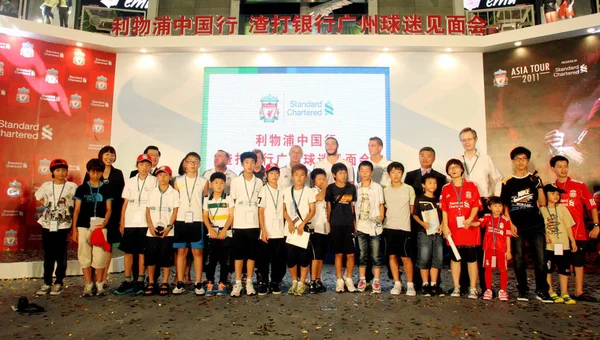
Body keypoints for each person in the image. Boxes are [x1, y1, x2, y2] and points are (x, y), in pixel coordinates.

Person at [501, 147, 552, 303]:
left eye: (523, 158)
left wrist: (540, 187)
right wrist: (510, 223)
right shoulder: (507, 181)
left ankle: (542, 290)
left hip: (535, 224)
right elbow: (505, 206)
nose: (520, 162)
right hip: (517, 225)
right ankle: (522, 289)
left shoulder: (534, 179)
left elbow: (542, 203)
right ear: (513, 161)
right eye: (517, 159)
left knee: (541, 259)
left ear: (528, 160)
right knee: (518, 259)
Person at [459, 127, 503, 292]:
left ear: (476, 140)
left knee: (483, 245)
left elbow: (498, 179)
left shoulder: (486, 159)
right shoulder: (458, 160)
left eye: (469, 139)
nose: (467, 142)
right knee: (464, 245)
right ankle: (464, 285)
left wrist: (495, 200)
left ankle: (486, 286)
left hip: (483, 202)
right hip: (463, 204)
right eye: (463, 140)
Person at [550, 156, 599, 302]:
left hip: (578, 233)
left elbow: (592, 206)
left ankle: (578, 291)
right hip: (558, 235)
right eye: (560, 167)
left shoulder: (579, 185)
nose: (563, 169)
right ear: (553, 169)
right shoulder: (551, 188)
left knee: (578, 262)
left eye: (566, 166)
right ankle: (563, 291)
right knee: (560, 262)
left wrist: (596, 226)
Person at [404, 146, 447, 290]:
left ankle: (435, 283)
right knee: (419, 252)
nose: (425, 158)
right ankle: (420, 283)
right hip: (417, 221)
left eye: (428, 156)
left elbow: (442, 201)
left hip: (436, 222)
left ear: (434, 158)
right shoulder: (410, 176)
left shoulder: (440, 177)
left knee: (436, 253)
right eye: (422, 155)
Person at [83, 146, 125, 288]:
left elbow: (121, 197)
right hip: (93, 216)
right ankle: (92, 278)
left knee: (107, 247)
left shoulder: (118, 173)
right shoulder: (92, 171)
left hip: (112, 215)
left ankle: (103, 276)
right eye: (106, 154)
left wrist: (120, 217)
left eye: (112, 155)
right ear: (101, 155)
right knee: (93, 245)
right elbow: (85, 192)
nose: (109, 157)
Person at [115, 154, 157, 295]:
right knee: (128, 251)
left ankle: (140, 280)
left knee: (142, 252)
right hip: (130, 221)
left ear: (151, 166)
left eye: (147, 165)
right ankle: (127, 280)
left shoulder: (155, 181)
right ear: (137, 165)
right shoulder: (131, 181)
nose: (144, 168)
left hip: (145, 222)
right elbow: (125, 202)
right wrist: (122, 221)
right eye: (141, 164)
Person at [35, 159, 78, 296]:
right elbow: (38, 197)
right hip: (47, 224)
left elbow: (77, 203)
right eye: (58, 170)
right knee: (48, 254)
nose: (61, 173)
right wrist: (49, 207)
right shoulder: (46, 185)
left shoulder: (72, 186)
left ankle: (59, 282)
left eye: (64, 170)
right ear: (52, 172)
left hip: (64, 225)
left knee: (61, 254)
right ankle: (47, 282)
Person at [441, 159, 482, 300]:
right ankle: (457, 287)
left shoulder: (471, 185)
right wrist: (445, 226)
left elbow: (476, 204)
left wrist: (471, 219)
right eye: (450, 168)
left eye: (456, 167)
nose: (453, 170)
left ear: (462, 169)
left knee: (471, 258)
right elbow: (444, 209)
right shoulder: (445, 188)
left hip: (469, 227)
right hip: (453, 229)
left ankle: (473, 288)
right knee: (455, 258)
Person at [72, 158, 113, 297]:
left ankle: (99, 284)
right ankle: (88, 284)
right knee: (84, 254)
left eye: (98, 172)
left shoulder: (106, 188)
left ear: (102, 173)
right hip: (83, 226)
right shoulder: (82, 188)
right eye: (92, 172)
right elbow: (76, 210)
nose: (95, 175)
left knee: (100, 255)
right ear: (88, 172)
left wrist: (105, 222)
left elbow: (109, 209)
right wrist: (74, 230)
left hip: (100, 226)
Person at [172, 152, 209, 295]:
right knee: (181, 251)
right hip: (181, 219)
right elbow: (175, 201)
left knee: (197, 252)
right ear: (185, 164)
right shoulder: (177, 180)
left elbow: (205, 201)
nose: (193, 164)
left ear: (199, 164)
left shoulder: (204, 181)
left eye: (195, 161)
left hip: (197, 219)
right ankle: (180, 282)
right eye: (190, 161)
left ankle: (198, 282)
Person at [230, 151, 264, 296]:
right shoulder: (236, 181)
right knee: (238, 255)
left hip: (254, 224)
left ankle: (249, 282)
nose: (249, 165)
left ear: (256, 163)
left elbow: (261, 204)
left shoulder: (259, 182)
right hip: (239, 223)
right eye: (246, 162)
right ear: (242, 164)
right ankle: (238, 283)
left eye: (252, 162)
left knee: (251, 255)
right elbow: (233, 203)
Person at [383, 162, 416, 296]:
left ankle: (410, 284)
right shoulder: (385, 190)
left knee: (406, 257)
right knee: (392, 256)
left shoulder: (409, 189)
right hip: (389, 226)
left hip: (404, 227)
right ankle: (397, 283)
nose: (396, 175)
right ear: (389, 174)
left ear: (402, 174)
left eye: (398, 172)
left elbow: (412, 209)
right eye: (393, 172)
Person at [144, 166, 178, 296]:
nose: (163, 178)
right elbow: (148, 211)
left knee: (166, 257)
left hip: (167, 231)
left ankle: (165, 281)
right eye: (160, 175)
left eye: (165, 175)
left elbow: (175, 211)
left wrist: (169, 226)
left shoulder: (174, 193)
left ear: (170, 177)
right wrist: (151, 227)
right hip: (151, 231)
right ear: (156, 177)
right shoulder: (151, 193)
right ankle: (151, 281)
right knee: (151, 258)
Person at [541, 184, 578, 305]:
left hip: (563, 244)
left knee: (564, 269)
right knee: (548, 269)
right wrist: (544, 235)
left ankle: (564, 292)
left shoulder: (562, 208)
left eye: (558, 194)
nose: (556, 196)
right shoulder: (542, 210)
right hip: (549, 246)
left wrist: (572, 240)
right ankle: (550, 290)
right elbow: (539, 227)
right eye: (552, 193)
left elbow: (568, 226)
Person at [283, 164, 316, 296]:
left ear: (306, 177)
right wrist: (289, 221)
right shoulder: (286, 191)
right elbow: (283, 209)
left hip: (303, 229)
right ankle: (294, 281)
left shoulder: (309, 191)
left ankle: (302, 282)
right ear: (292, 176)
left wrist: (303, 223)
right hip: (290, 229)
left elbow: (312, 210)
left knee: (304, 257)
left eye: (302, 175)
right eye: (296, 175)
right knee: (291, 257)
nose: (299, 177)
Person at [471, 196, 512, 301]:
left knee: (503, 269)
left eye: (500, 206)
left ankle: (502, 290)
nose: (498, 208)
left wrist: (508, 250)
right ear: (489, 207)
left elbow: (508, 236)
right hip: (488, 248)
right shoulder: (487, 217)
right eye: (495, 206)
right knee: (488, 269)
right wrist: (469, 222)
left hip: (501, 249)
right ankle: (488, 289)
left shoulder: (506, 220)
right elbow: (478, 223)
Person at [326, 163, 357, 293]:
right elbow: (328, 207)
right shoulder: (330, 188)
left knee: (350, 254)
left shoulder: (351, 188)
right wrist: (329, 223)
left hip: (349, 224)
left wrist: (354, 224)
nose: (343, 175)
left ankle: (348, 278)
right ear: (334, 175)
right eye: (340, 173)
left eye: (345, 173)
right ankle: (339, 280)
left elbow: (353, 206)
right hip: (336, 224)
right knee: (338, 254)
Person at [256, 164, 287, 295]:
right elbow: (260, 211)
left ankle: (275, 281)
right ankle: (264, 282)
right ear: (266, 175)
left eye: (276, 173)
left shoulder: (283, 190)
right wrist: (263, 230)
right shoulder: (263, 190)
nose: (274, 176)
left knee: (278, 259)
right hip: (267, 230)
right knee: (263, 259)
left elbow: (285, 209)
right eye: (271, 174)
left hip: (280, 230)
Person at [412, 173, 444, 297]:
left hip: (438, 232)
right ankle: (425, 284)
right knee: (424, 258)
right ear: (423, 185)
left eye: (435, 183)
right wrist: (422, 223)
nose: (433, 185)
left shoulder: (439, 199)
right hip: (423, 233)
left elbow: (444, 215)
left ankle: (434, 284)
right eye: (430, 183)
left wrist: (442, 225)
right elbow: (414, 214)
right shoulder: (419, 199)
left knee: (437, 259)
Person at [355, 161, 385, 294]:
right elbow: (353, 206)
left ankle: (376, 281)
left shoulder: (377, 187)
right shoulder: (356, 188)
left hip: (374, 227)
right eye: (362, 170)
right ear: (359, 173)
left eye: (368, 171)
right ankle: (362, 279)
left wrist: (381, 217)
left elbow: (381, 204)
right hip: (361, 226)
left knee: (376, 255)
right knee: (362, 255)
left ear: (372, 173)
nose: (365, 173)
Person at [203, 172, 234, 296]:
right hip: (212, 233)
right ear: (211, 184)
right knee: (211, 260)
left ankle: (222, 282)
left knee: (225, 260)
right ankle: (210, 282)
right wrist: (210, 229)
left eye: (221, 183)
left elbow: (231, 216)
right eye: (216, 183)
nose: (219, 185)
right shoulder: (207, 199)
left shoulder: (228, 198)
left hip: (225, 233)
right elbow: (205, 216)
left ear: (225, 184)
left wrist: (224, 230)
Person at [308, 168, 329, 294]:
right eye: (319, 179)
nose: (322, 181)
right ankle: (312, 280)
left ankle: (318, 278)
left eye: (324, 179)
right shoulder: (311, 191)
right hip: (315, 227)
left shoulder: (327, 191)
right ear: (314, 180)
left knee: (321, 256)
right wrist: (325, 188)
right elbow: (320, 198)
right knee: (315, 256)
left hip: (325, 228)